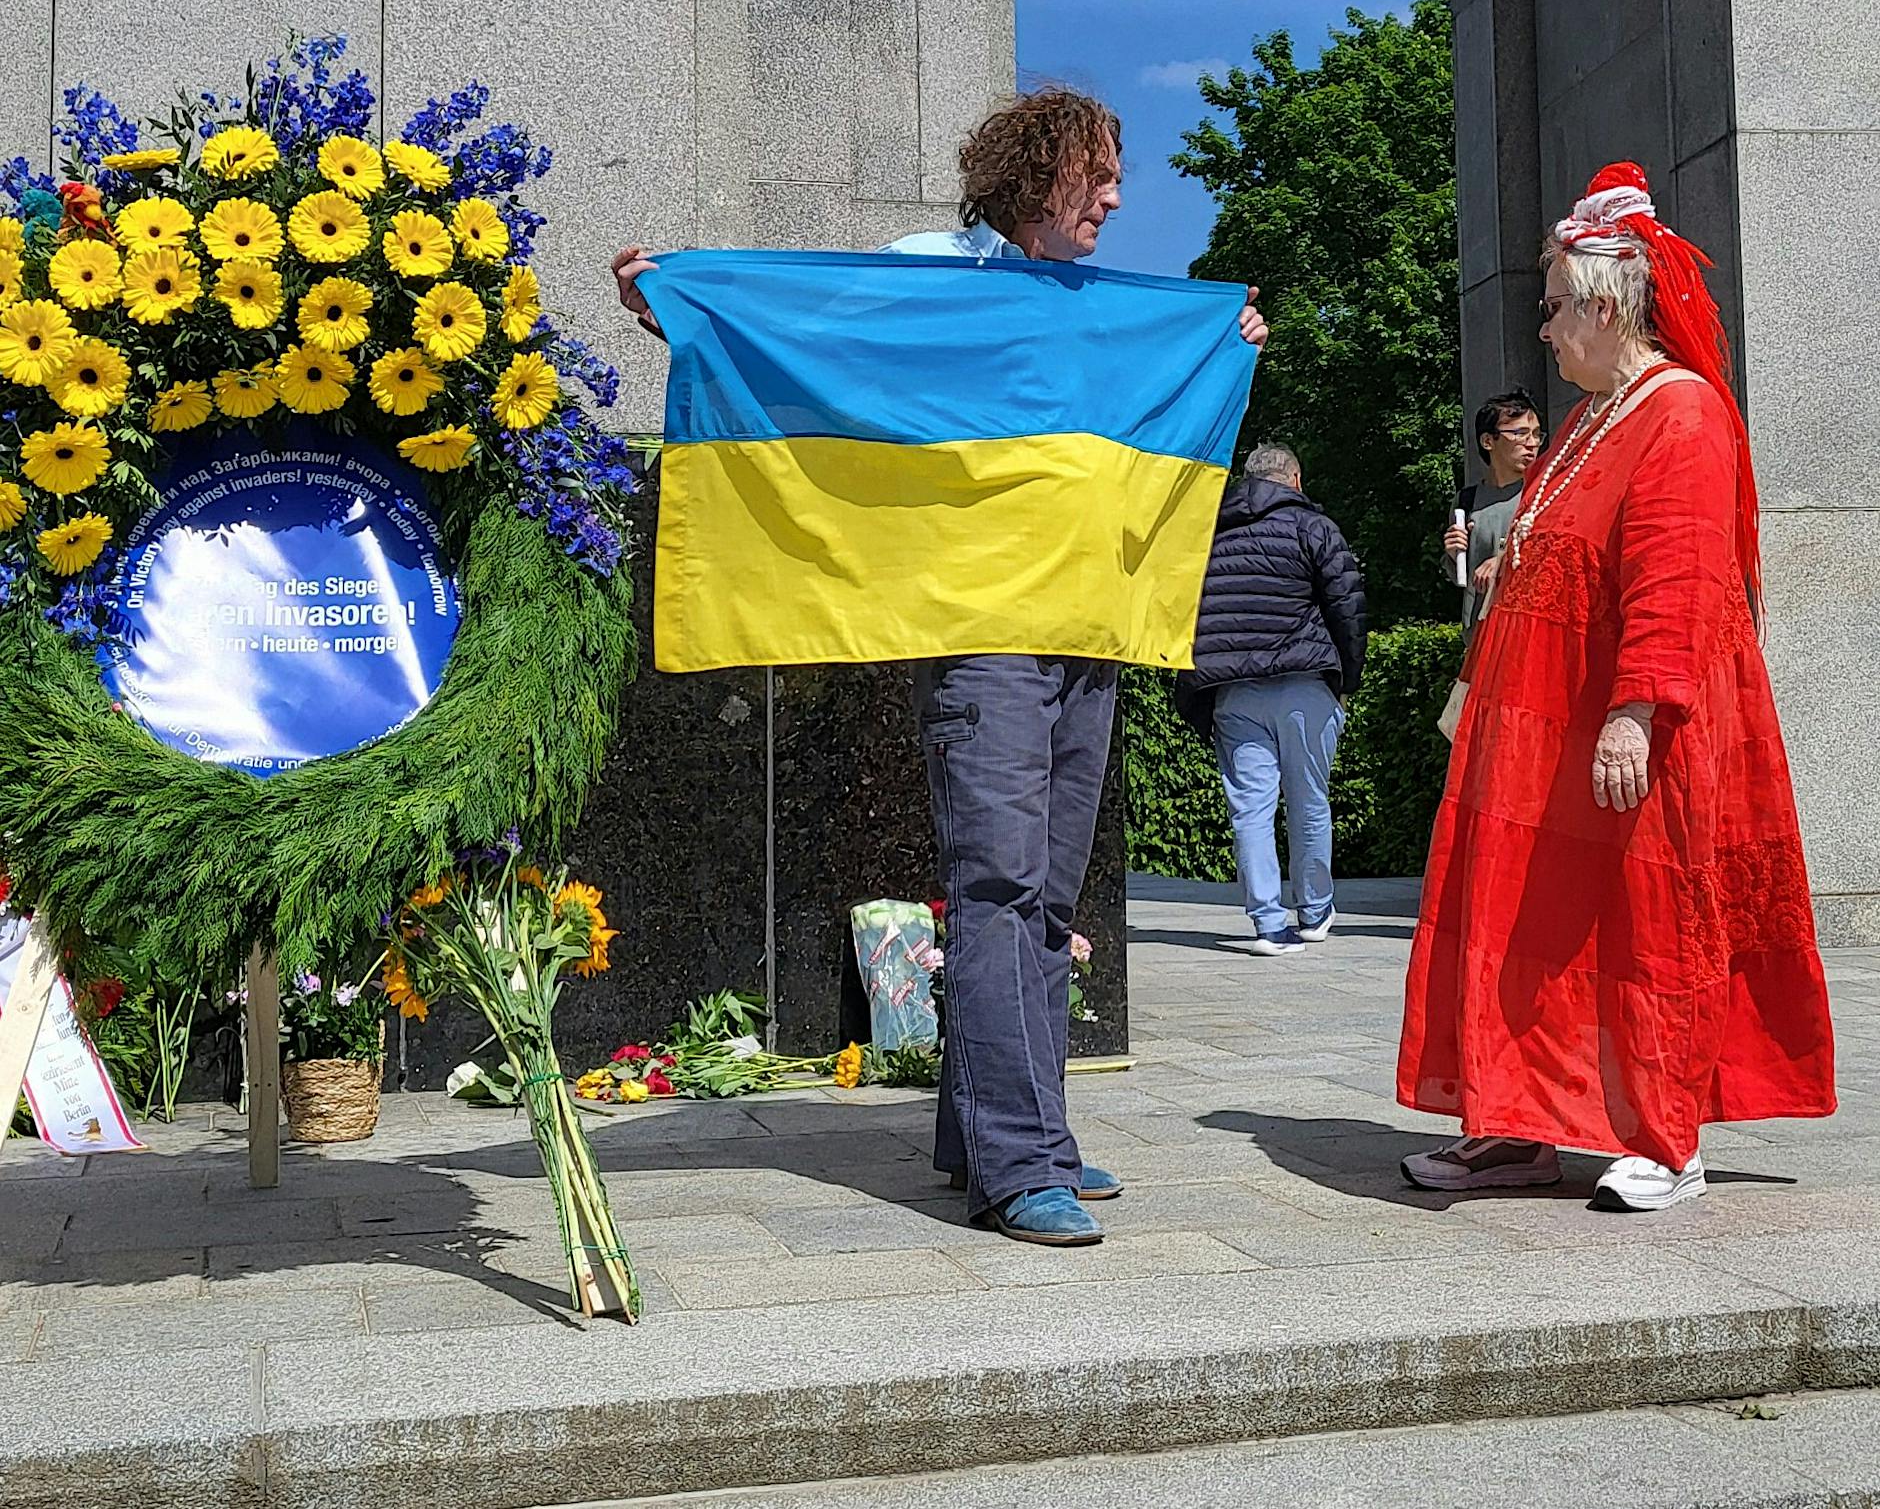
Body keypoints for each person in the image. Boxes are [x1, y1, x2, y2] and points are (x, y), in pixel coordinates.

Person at [613, 86, 1268, 1248]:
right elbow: (811, 347)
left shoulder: (1098, 308)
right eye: (1097, 175)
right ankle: (1019, 1165)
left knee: (1045, 895)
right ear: (1035, 174)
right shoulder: (928, 273)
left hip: (1081, 627)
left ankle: (1004, 1130)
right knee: (1000, 882)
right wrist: (687, 309)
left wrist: (1219, 351)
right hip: (981, 638)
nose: (1117, 198)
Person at [1397, 162, 1835, 1213]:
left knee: (1651, 917)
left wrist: (1633, 711)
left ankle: (1664, 1135)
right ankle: (1519, 1123)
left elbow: (1676, 578)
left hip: (1630, 723)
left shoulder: (1676, 410)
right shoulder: (1595, 416)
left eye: (1551, 308)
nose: (1542, 332)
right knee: (1528, 925)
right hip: (1544, 731)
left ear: (1601, 301)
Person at [1173, 444, 1366, 954]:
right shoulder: (1312, 527)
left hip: (1234, 691)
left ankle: (1267, 924)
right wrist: (1347, 677)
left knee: (1250, 811)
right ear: (1295, 480)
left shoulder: (1211, 533)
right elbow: (1346, 606)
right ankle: (1314, 912)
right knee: (1308, 802)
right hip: (1303, 684)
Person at [1441, 390, 1543, 639]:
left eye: (1537, 434)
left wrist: (1504, 560)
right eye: (1520, 433)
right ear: (1488, 441)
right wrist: (1455, 556)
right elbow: (1463, 580)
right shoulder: (1466, 501)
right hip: (1479, 640)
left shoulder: (1545, 493)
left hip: (1527, 636)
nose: (1531, 443)